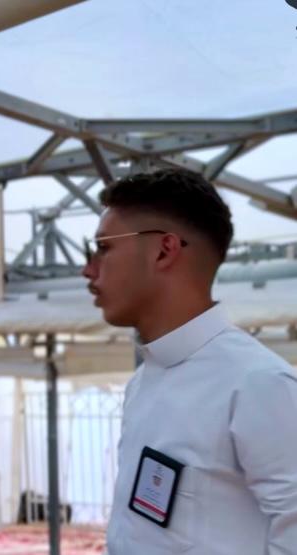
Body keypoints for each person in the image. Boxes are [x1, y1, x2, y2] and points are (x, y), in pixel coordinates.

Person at [85, 169, 297, 554]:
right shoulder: (142, 382)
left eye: (104, 248)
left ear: (164, 250)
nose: (89, 269)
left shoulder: (257, 383)